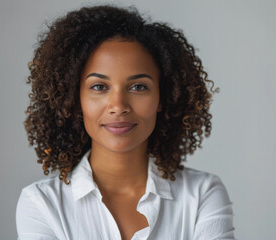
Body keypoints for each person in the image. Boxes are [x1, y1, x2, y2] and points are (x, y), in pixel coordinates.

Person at [16, 5, 235, 240]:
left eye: (138, 87)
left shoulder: (202, 194)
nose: (118, 106)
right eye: (99, 87)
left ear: (163, 96)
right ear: (74, 98)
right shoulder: (41, 204)